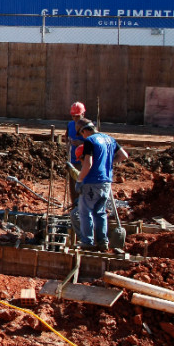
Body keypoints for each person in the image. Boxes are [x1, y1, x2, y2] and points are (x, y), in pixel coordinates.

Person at [76, 121, 128, 251]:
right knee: (100, 213)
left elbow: (88, 164)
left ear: (85, 131)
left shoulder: (90, 141)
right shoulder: (110, 139)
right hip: (106, 182)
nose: (83, 137)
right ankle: (102, 241)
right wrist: (109, 163)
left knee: (84, 212)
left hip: (92, 182)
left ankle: (87, 241)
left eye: (82, 134)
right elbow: (124, 156)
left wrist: (79, 180)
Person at [65, 102, 87, 167]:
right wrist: (67, 144)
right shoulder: (70, 124)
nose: (75, 118)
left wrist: (82, 143)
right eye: (73, 116)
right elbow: (66, 136)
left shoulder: (88, 127)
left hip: (84, 161)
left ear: (83, 114)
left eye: (77, 116)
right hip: (72, 160)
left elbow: (94, 143)